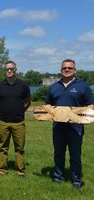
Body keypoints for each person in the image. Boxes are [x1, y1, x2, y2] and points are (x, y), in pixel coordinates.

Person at [45, 59, 94, 189]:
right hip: (58, 126)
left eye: (70, 68)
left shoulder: (83, 86)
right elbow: (48, 105)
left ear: (75, 70)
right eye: (64, 68)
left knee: (75, 154)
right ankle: (58, 176)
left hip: (75, 126)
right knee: (58, 152)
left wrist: (84, 116)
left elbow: (91, 104)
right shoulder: (54, 87)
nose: (67, 70)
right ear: (61, 70)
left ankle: (76, 179)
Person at [0, 60, 31, 177]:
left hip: (19, 122)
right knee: (3, 148)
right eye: (7, 69)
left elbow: (28, 102)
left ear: (15, 70)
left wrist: (20, 112)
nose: (9, 71)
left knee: (19, 148)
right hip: (3, 122)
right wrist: (5, 112)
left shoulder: (23, 85)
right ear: (5, 71)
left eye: (12, 69)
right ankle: (2, 170)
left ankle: (20, 171)